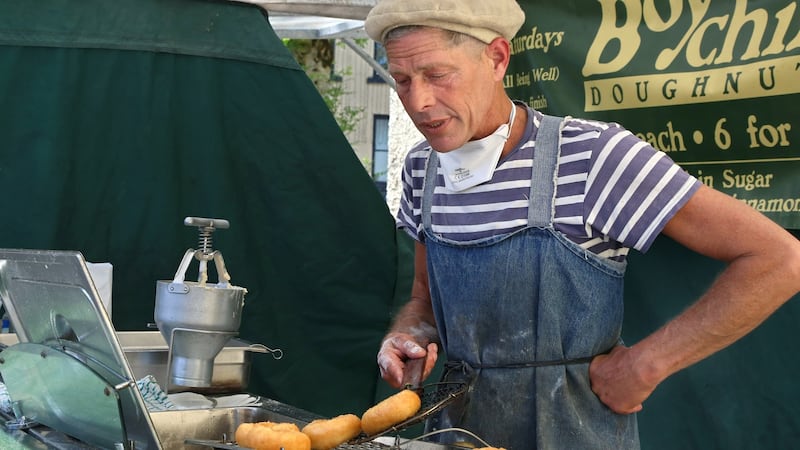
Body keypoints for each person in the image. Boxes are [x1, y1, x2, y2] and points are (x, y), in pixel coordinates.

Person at [364, 0, 800, 449]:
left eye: (438, 75)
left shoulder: (593, 154)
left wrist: (646, 365)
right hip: (454, 433)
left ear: (496, 58)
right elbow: (424, 298)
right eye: (402, 80)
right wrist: (407, 334)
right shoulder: (422, 169)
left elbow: (779, 259)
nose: (418, 101)